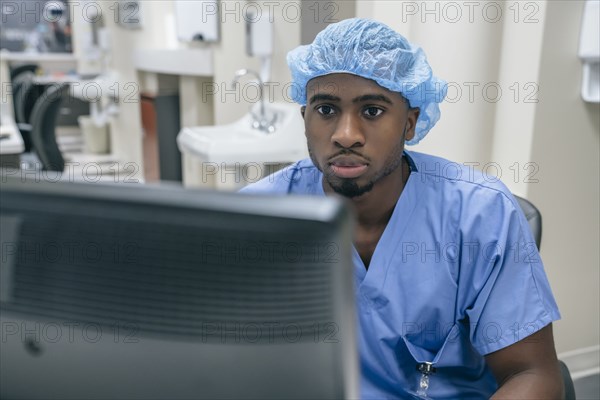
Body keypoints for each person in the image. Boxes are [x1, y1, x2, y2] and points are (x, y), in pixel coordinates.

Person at [240, 18, 562, 399]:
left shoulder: (481, 215)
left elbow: (532, 374)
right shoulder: (256, 218)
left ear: (410, 123)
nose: (346, 135)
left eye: (372, 111)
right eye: (326, 109)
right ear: (305, 118)